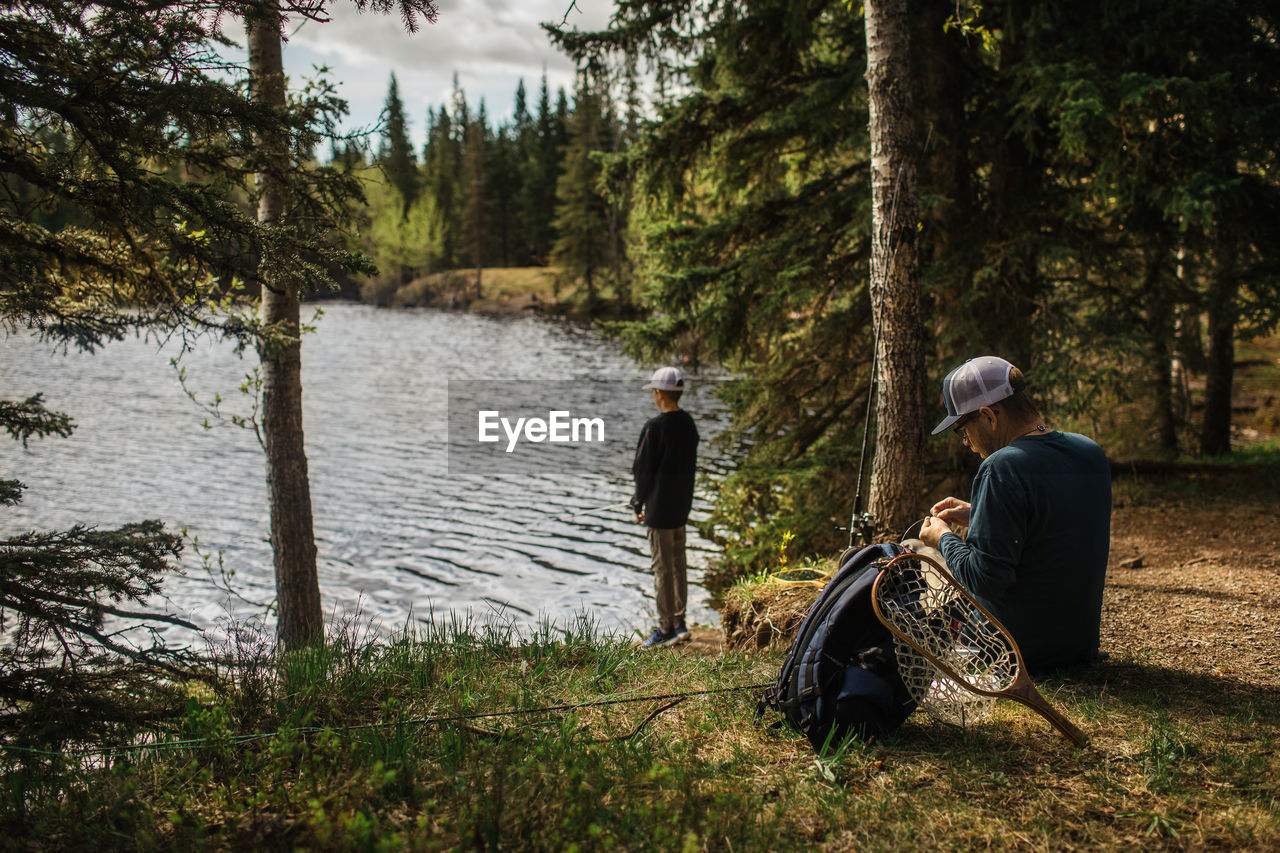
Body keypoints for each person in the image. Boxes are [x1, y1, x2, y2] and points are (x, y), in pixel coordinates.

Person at [918, 356, 1111, 672]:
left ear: (988, 416)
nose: (965, 441)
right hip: (1077, 646)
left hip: (1011, 651)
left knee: (912, 558)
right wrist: (978, 512)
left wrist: (942, 537)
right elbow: (1054, 525)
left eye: (962, 429)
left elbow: (985, 580)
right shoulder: (1088, 452)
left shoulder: (1001, 467)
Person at [631, 366, 699, 648]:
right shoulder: (688, 424)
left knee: (662, 569)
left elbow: (642, 470)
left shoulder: (654, 428)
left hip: (659, 511)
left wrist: (638, 502)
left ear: (659, 394)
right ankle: (680, 623)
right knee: (678, 565)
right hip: (681, 507)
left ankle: (665, 628)